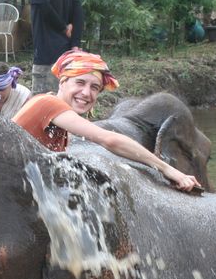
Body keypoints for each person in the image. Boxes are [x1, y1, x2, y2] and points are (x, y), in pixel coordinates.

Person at [12, 48, 201, 192]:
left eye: (95, 87)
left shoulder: (56, 115)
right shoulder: (49, 103)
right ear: (62, 82)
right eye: (80, 82)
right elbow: (108, 139)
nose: (86, 93)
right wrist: (167, 169)